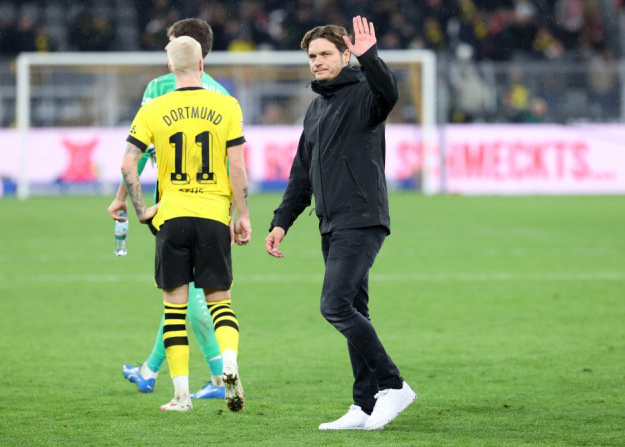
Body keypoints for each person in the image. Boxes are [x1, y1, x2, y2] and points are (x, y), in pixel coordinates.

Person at [265, 16, 416, 430]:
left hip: (362, 218)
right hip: (331, 223)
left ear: (345, 55)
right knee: (353, 308)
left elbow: (389, 92)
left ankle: (393, 385)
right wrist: (281, 222)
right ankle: (363, 404)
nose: (316, 61)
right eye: (312, 56)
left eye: (325, 54)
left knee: (334, 305)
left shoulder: (366, 93)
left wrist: (371, 58)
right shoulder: (316, 109)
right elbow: (300, 174)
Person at [119, 35, 251, 412]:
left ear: (169, 67)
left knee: (174, 311)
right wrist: (242, 215)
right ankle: (228, 362)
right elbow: (237, 166)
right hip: (213, 216)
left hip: (172, 217)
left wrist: (141, 209)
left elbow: (128, 164)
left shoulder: (153, 108)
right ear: (202, 65)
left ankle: (180, 396)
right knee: (220, 303)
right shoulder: (227, 105)